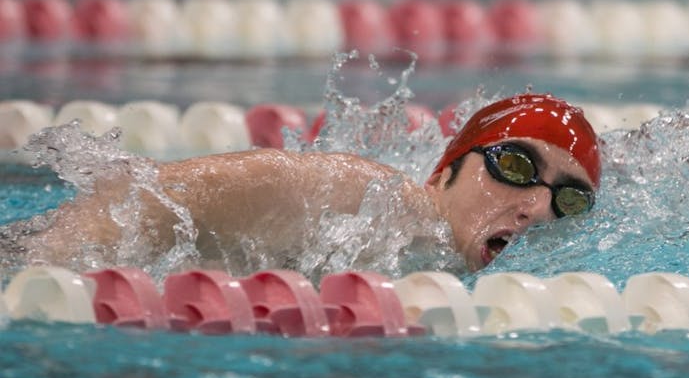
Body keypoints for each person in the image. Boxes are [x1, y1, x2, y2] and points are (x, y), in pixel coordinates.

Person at [9, 93, 601, 274]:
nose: (534, 208)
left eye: (567, 198)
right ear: (446, 168)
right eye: (517, 166)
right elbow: (142, 203)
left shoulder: (441, 265)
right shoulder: (365, 198)